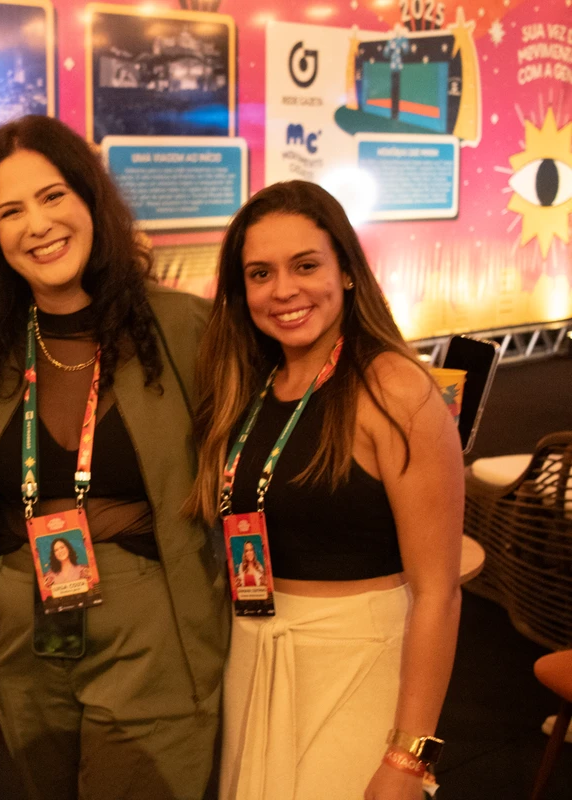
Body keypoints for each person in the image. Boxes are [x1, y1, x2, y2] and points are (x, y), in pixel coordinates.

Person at [0, 114, 229, 800]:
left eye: (51, 197)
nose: (36, 224)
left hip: (149, 626)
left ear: (89, 199)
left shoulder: (184, 328)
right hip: (24, 629)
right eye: (10, 211)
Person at [185, 180, 463, 799]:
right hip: (254, 653)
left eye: (305, 265)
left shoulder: (395, 389)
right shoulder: (251, 386)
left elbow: (439, 592)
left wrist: (409, 756)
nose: (283, 290)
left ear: (347, 272)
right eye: (260, 273)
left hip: (358, 665)